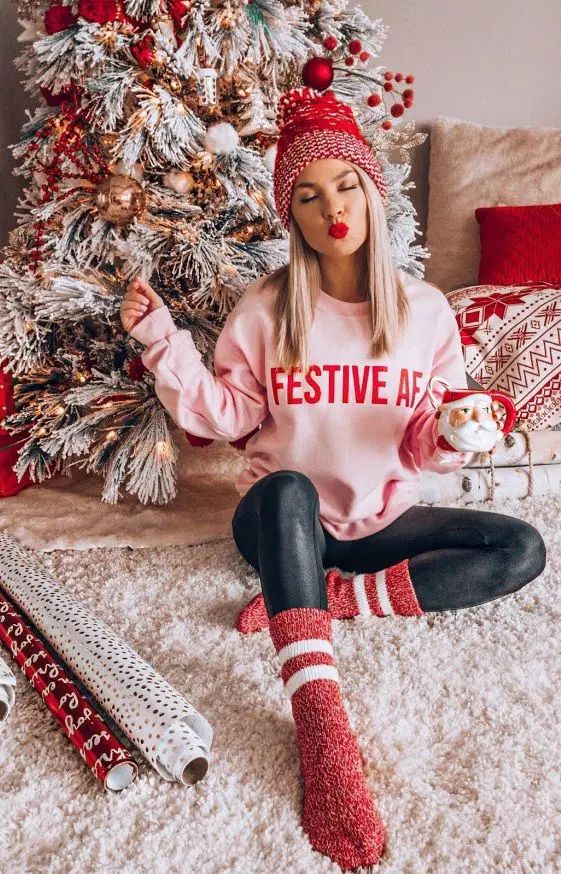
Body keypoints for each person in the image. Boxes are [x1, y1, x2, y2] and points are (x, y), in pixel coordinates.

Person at [120, 84, 547, 871]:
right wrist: (160, 340)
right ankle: (320, 720)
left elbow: (424, 447)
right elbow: (218, 415)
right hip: (284, 526)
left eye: (345, 186)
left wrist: (455, 430)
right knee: (287, 488)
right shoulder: (267, 307)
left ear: (371, 194)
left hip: (376, 526)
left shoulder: (423, 313)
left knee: (520, 548)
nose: (331, 209)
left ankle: (333, 600)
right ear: (294, 217)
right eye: (308, 197)